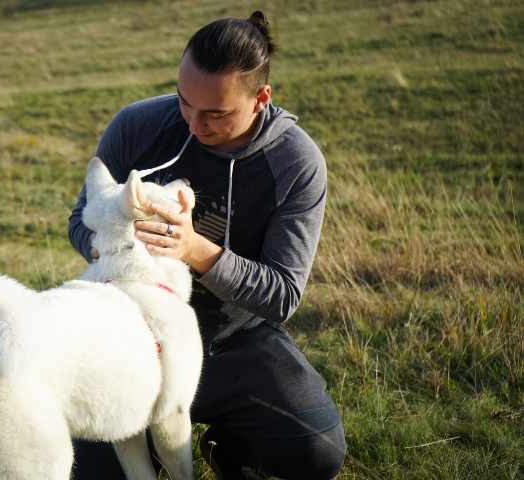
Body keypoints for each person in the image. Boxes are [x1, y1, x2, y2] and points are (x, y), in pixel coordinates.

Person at [67, 10, 345, 480]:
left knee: (317, 452)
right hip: (130, 339)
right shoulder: (136, 125)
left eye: (216, 114)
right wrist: (118, 248)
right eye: (184, 103)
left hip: (236, 342)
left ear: (261, 98)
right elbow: (80, 221)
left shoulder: (296, 162)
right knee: (86, 469)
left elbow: (282, 296)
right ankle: (154, 442)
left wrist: (195, 249)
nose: (195, 126)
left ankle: (226, 446)